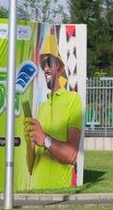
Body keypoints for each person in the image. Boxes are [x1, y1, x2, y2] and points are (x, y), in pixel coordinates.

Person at [24, 33, 82, 188]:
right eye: (43, 65)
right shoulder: (41, 107)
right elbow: (30, 168)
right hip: (35, 191)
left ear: (59, 66)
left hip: (60, 192)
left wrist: (45, 140)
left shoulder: (73, 100)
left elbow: (71, 155)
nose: (46, 68)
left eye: (49, 63)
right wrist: (28, 143)